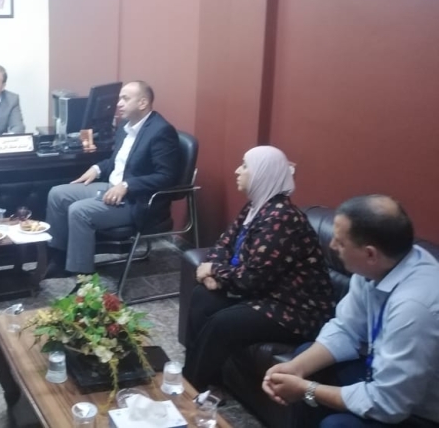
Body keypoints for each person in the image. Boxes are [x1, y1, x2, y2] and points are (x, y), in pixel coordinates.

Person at [263, 195, 439, 427]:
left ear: (370, 254)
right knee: (305, 359)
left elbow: (389, 405)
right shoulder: (376, 269)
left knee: (336, 425)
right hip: (382, 377)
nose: (332, 246)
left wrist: (307, 389)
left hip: (419, 411)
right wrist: (295, 368)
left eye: (340, 242)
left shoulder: (414, 308)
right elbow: (346, 329)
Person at [183, 146, 335, 392]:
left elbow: (252, 278)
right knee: (203, 297)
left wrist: (214, 271)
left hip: (294, 308)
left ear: (263, 173)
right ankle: (204, 377)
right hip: (265, 294)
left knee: (223, 323)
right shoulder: (256, 207)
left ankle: (190, 388)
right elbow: (224, 244)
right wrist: (212, 273)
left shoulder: (281, 218)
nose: (237, 171)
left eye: (245, 166)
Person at [44, 81, 181, 276]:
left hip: (137, 201)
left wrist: (127, 185)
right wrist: (97, 168)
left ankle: (83, 279)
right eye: (120, 98)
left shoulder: (161, 131)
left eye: (125, 99)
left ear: (142, 103)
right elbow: (119, 160)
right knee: (57, 194)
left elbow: (167, 177)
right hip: (112, 186)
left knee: (79, 211)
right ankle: (59, 258)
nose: (118, 103)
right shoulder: (126, 125)